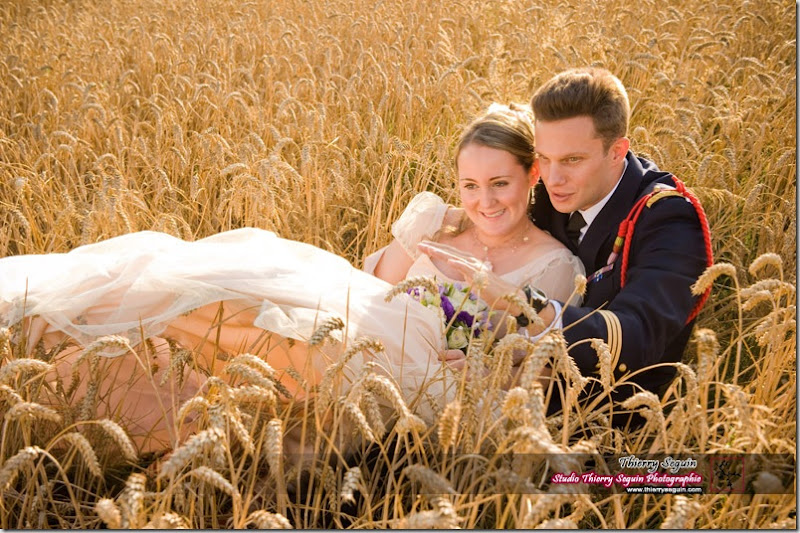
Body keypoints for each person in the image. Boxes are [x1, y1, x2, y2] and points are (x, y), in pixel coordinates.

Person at [0, 103, 583, 453]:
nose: (484, 201)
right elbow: (368, 283)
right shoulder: (439, 224)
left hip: (419, 374)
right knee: (206, 289)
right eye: (470, 185)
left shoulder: (553, 266)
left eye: (500, 183)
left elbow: (516, 359)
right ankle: (51, 359)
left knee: (256, 335)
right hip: (360, 312)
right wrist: (419, 248)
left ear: (531, 175)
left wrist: (466, 337)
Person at [425, 68, 710, 422]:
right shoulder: (559, 189)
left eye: (572, 159)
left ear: (617, 151)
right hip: (512, 377)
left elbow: (637, 337)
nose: (553, 178)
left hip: (601, 419)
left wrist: (522, 303)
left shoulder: (668, 219)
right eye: (543, 158)